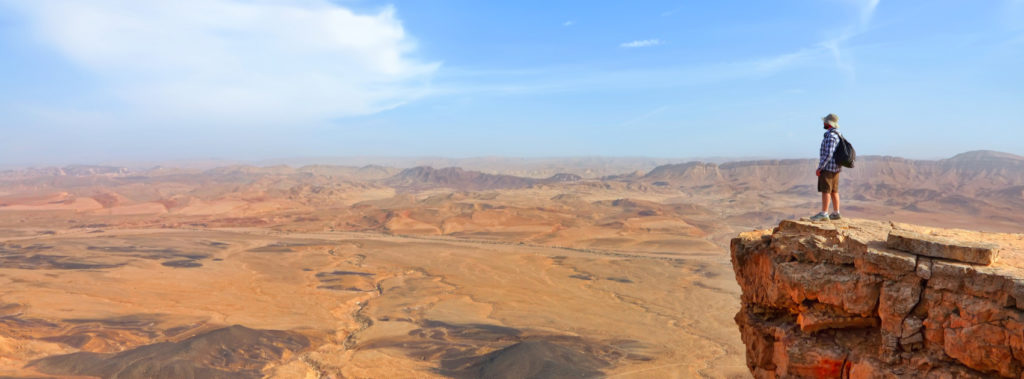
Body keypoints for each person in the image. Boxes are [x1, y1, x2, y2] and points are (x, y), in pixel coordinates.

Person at [810, 113, 842, 221]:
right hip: (836, 168)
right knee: (834, 191)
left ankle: (824, 213)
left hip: (828, 168)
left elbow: (828, 154)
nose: (823, 123)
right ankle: (836, 213)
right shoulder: (838, 135)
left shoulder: (831, 136)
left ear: (828, 123)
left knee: (826, 190)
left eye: (825, 121)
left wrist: (820, 167)